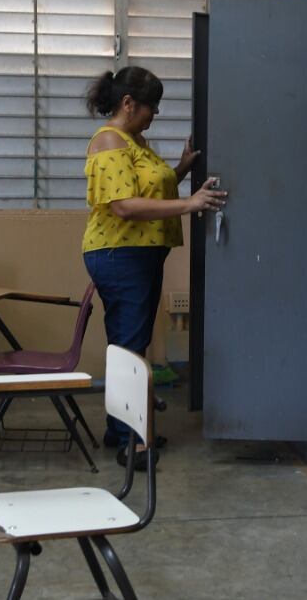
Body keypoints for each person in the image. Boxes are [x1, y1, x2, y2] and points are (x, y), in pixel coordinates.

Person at [82, 66, 226, 467]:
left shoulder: (133, 141)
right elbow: (124, 206)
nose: (154, 114)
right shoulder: (110, 142)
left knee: (130, 342)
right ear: (128, 103)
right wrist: (189, 204)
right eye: (152, 106)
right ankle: (134, 443)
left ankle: (120, 430)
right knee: (131, 346)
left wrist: (180, 169)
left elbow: (146, 189)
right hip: (119, 254)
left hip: (136, 255)